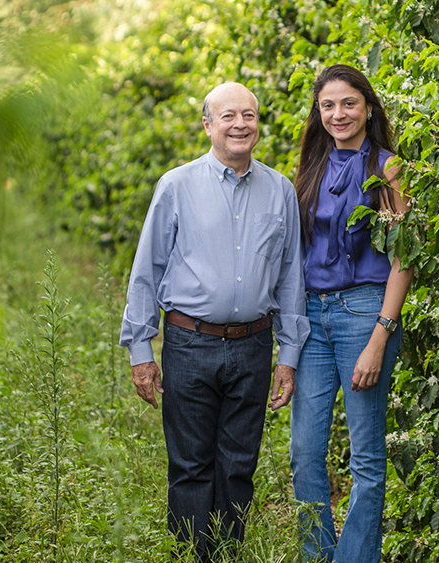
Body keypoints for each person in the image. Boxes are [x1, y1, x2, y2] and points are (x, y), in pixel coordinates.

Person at [119, 82, 309, 562]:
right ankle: (190, 556)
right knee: (189, 466)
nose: (240, 124)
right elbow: (148, 270)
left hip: (253, 346)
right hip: (189, 342)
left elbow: (291, 279)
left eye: (248, 115)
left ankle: (225, 555)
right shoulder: (177, 185)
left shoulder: (280, 190)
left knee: (239, 466)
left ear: (258, 124)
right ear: (208, 125)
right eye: (228, 116)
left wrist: (288, 357)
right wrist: (141, 351)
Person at [289, 64, 413, 563]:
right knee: (304, 453)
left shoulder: (389, 168)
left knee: (365, 457)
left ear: (368, 107)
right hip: (312, 319)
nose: (338, 114)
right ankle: (317, 556)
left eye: (348, 104)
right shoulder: (310, 169)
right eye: (328, 106)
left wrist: (380, 336)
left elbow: (405, 257)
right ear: (318, 114)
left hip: (365, 313)